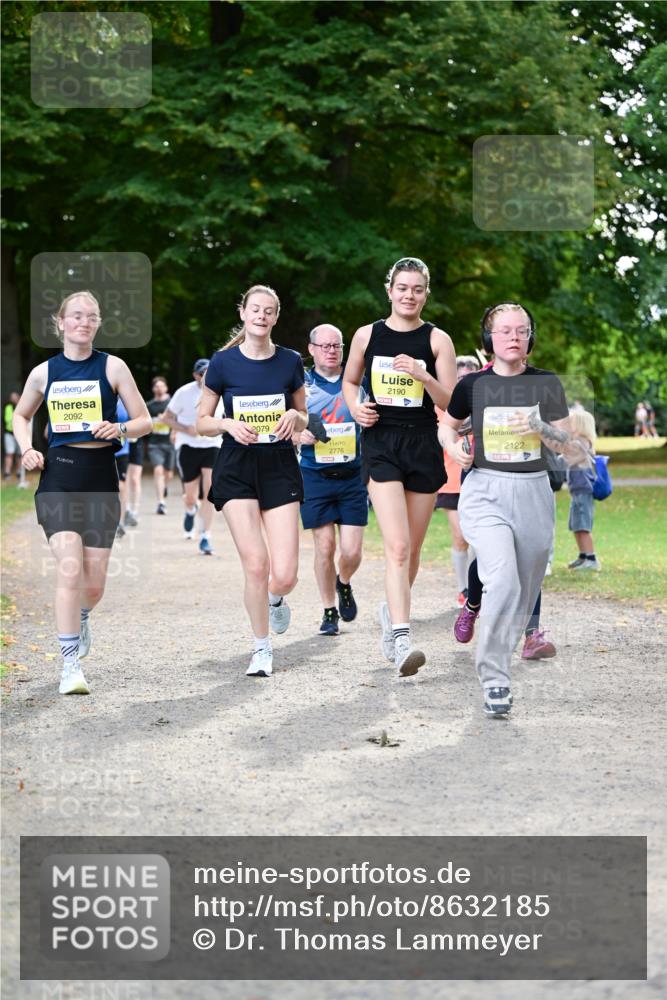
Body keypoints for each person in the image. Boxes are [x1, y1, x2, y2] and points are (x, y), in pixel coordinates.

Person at [439, 302, 576, 718]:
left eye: (521, 330)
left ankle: (504, 648)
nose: (514, 337)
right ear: (489, 340)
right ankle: (495, 677)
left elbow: (565, 444)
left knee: (527, 584)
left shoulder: (547, 384)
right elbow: (448, 425)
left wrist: (539, 426)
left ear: (530, 338)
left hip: (533, 491)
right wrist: (454, 447)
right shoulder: (472, 387)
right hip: (485, 491)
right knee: (502, 579)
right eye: (504, 331)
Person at [12, 290, 151, 695]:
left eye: (91, 317)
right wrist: (27, 448)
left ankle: (83, 614)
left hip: (101, 480)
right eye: (76, 316)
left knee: (94, 585)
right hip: (59, 478)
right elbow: (22, 416)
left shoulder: (114, 367)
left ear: (98, 323)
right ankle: (69, 664)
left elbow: (144, 419)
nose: (83, 322)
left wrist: (121, 429)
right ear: (60, 323)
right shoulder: (44, 373)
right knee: (69, 567)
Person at [343, 257, 457, 676]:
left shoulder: (438, 340)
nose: (409, 296)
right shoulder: (366, 335)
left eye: (418, 289)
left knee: (413, 551)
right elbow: (350, 381)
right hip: (381, 442)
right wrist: (355, 408)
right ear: (389, 290)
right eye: (402, 288)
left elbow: (451, 403)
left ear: (426, 293)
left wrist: (425, 377)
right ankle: (402, 637)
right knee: (397, 546)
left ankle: (391, 613)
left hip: (423, 444)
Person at [197, 284, 307, 678]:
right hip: (237, 467)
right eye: (254, 309)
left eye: (269, 310)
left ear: (276, 318)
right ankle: (261, 648)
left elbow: (305, 416)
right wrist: (227, 423)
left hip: (278, 467)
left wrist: (297, 419)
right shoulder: (222, 363)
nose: (261, 316)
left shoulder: (290, 361)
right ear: (243, 313)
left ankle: (275, 600)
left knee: (287, 573)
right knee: (256, 564)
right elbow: (202, 421)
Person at [296, 324, 367, 636]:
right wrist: (300, 435)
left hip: (352, 475)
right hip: (314, 474)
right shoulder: (300, 384)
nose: (330, 351)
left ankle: (344, 582)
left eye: (336, 345)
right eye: (323, 346)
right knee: (324, 547)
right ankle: (328, 610)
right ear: (311, 349)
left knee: (351, 552)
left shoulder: (358, 382)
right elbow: (284, 426)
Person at [164, 358, 222, 555]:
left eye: (210, 372)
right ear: (196, 375)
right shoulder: (184, 393)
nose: (206, 376)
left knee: (209, 491)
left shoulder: (221, 392)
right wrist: (185, 429)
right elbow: (166, 418)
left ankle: (206, 535)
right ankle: (190, 510)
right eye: (202, 373)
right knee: (190, 496)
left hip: (212, 445)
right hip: (188, 445)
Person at [435, 356, 480, 606]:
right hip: (452, 481)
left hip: (480, 479)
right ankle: (463, 588)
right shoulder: (444, 408)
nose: (464, 381)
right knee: (461, 536)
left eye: (468, 377)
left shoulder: (485, 403)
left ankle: (477, 587)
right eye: (459, 377)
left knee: (478, 538)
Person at [566, 408, 601, 571]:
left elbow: (568, 456)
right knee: (576, 524)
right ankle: (582, 555)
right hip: (576, 490)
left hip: (583, 490)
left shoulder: (582, 442)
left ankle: (591, 558)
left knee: (583, 525)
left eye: (571, 421)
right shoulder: (577, 440)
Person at [145, 376, 175, 514]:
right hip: (155, 444)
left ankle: (164, 487)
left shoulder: (172, 404)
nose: (159, 388)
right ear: (153, 389)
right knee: (158, 470)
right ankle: (161, 503)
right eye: (156, 386)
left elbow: (179, 420)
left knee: (168, 474)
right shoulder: (149, 406)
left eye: (161, 386)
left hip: (170, 443)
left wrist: (172, 428)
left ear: (166, 388)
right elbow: (145, 424)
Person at [114, 398, 131, 539]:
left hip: (121, 451)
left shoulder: (126, 402)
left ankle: (120, 522)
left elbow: (139, 422)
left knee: (121, 486)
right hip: (100, 451)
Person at [3, 391, 25, 484]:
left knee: (20, 454)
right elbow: (8, 420)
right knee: (9, 453)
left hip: (20, 433)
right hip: (10, 433)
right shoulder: (8, 407)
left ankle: (19, 472)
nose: (14, 399)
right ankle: (7, 472)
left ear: (19, 398)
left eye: (15, 397)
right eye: (12, 397)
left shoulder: (23, 406)